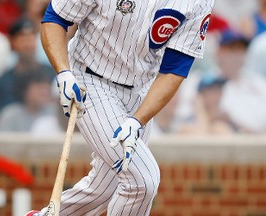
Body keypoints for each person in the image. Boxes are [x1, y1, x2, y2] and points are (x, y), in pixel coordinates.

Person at [26, 0, 214, 215]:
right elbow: (55, 18)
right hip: (90, 79)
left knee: (103, 189)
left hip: (141, 89)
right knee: (142, 181)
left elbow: (175, 68)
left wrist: (138, 120)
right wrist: (63, 72)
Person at [0, 17, 55, 123]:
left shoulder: (52, 74)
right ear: (12, 42)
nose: (28, 44)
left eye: (31, 38)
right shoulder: (0, 84)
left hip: (49, 136)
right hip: (11, 137)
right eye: (23, 38)